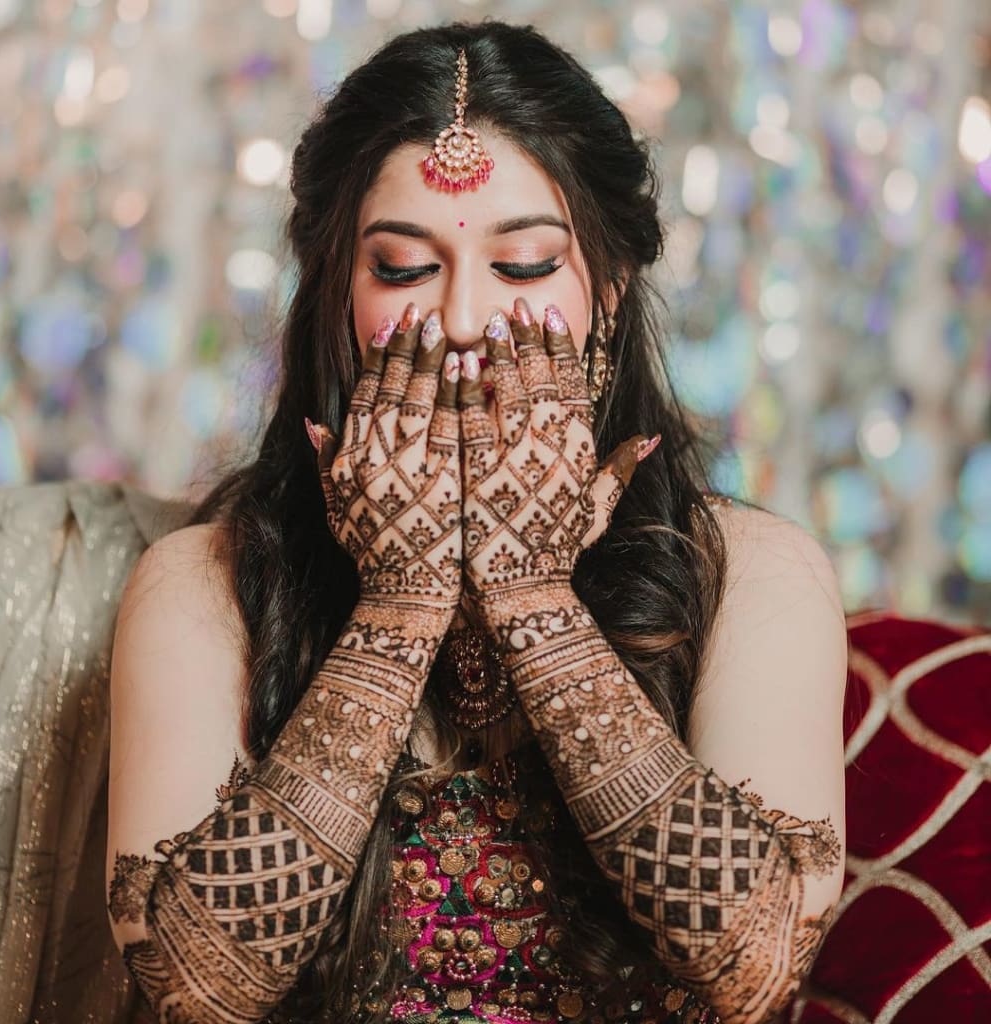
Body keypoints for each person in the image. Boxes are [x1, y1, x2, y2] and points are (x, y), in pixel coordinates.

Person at [105, 20, 848, 1024]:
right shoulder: (203, 583)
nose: (462, 321)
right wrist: (401, 602)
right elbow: (194, 987)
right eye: (403, 270)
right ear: (334, 296)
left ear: (611, 294)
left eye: (526, 266)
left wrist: (532, 597)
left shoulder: (751, 572)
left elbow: (752, 966)